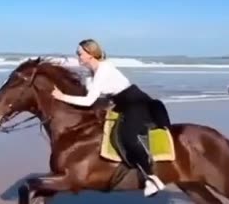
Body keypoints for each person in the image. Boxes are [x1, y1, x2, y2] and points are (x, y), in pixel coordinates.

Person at [51, 38, 166, 197]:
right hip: (120, 104)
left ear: (90, 53)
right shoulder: (91, 73)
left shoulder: (104, 69)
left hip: (137, 103)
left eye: (80, 53)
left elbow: (88, 100)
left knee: (128, 135)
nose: (77, 56)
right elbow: (94, 98)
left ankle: (151, 177)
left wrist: (62, 96)